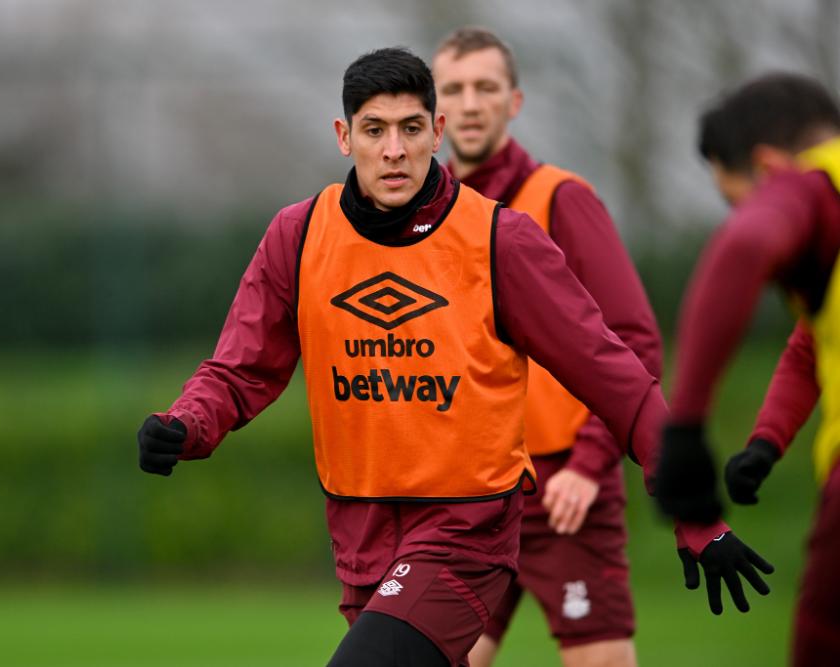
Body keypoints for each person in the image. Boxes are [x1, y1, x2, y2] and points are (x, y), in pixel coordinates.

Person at [138, 47, 768, 667]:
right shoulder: (298, 236)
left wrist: (697, 516)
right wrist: (187, 423)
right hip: (359, 534)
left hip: (467, 530)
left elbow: (615, 375)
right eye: (374, 130)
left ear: (435, 132)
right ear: (343, 136)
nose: (394, 150)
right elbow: (241, 368)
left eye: (411, 129)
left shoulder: (500, 240)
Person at [431, 27, 660, 667]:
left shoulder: (561, 198)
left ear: (515, 102)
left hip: (564, 491)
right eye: (454, 89)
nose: (471, 103)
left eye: (486, 87)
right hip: (468, 496)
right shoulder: (429, 219)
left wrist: (591, 463)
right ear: (435, 111)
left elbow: (633, 339)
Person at [653, 72, 840, 666]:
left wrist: (683, 430)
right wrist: (767, 441)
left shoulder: (814, 187)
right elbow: (812, 341)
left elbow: (744, 247)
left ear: (767, 164)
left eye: (738, 198)